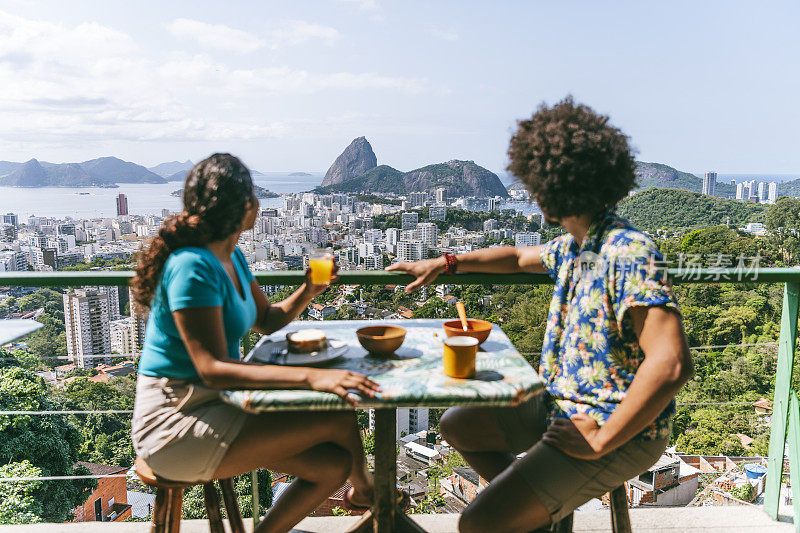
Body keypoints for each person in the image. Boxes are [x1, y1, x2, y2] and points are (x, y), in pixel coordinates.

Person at [387, 97, 694, 533]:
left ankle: (536, 505)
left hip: (613, 426)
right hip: (558, 404)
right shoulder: (574, 246)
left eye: (535, 183)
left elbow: (672, 363)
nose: (530, 193)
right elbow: (514, 257)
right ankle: (547, 510)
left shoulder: (627, 251)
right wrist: (447, 263)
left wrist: (602, 438)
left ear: (555, 185)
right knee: (459, 423)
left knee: (478, 523)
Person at [130, 154, 377, 533]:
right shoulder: (192, 266)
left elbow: (268, 321)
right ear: (247, 206)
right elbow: (211, 369)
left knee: (331, 465)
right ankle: (368, 494)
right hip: (174, 421)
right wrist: (314, 380)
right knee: (337, 414)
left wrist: (309, 289)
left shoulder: (233, 257)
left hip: (218, 405)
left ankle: (361, 493)